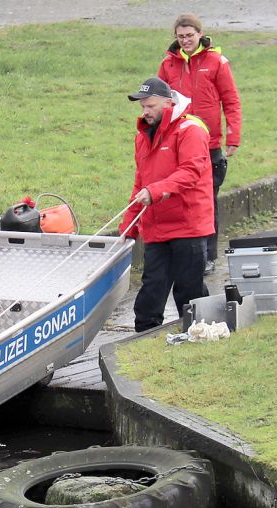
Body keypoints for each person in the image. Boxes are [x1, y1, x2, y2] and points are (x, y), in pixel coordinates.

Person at [119, 77, 214, 333]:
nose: (145, 112)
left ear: (168, 102)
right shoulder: (143, 136)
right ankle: (144, 337)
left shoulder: (191, 129)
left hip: (188, 224)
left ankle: (200, 332)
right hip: (157, 225)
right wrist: (129, 226)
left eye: (150, 106)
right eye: (142, 107)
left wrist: (155, 191)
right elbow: (140, 183)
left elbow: (191, 171)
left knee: (189, 288)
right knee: (152, 287)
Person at [157, 13, 242, 275]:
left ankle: (208, 255)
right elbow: (159, 103)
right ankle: (180, 254)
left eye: (189, 36)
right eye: (180, 37)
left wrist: (233, 136)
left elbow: (231, 100)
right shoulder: (168, 65)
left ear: (199, 35)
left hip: (208, 143)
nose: (185, 41)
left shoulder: (216, 61)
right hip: (177, 142)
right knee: (177, 198)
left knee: (206, 202)